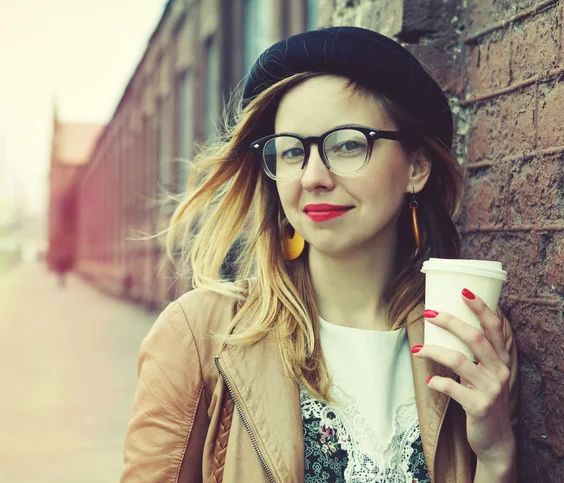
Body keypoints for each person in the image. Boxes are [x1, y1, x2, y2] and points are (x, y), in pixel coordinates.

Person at [120, 26, 518, 483]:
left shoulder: (475, 337)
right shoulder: (197, 335)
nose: (312, 177)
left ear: (416, 167)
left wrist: (496, 457)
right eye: (291, 151)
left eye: (348, 144)